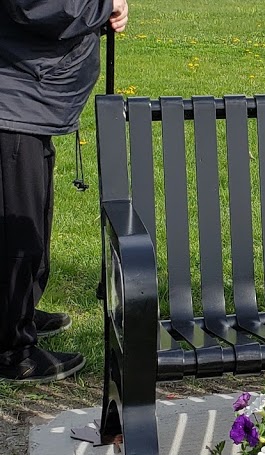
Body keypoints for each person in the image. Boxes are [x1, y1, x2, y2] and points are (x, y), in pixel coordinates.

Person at [0, 0, 129, 382]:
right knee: (17, 229)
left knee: (32, 214)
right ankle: (11, 348)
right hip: (15, 97)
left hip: (29, 97)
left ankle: (18, 311)